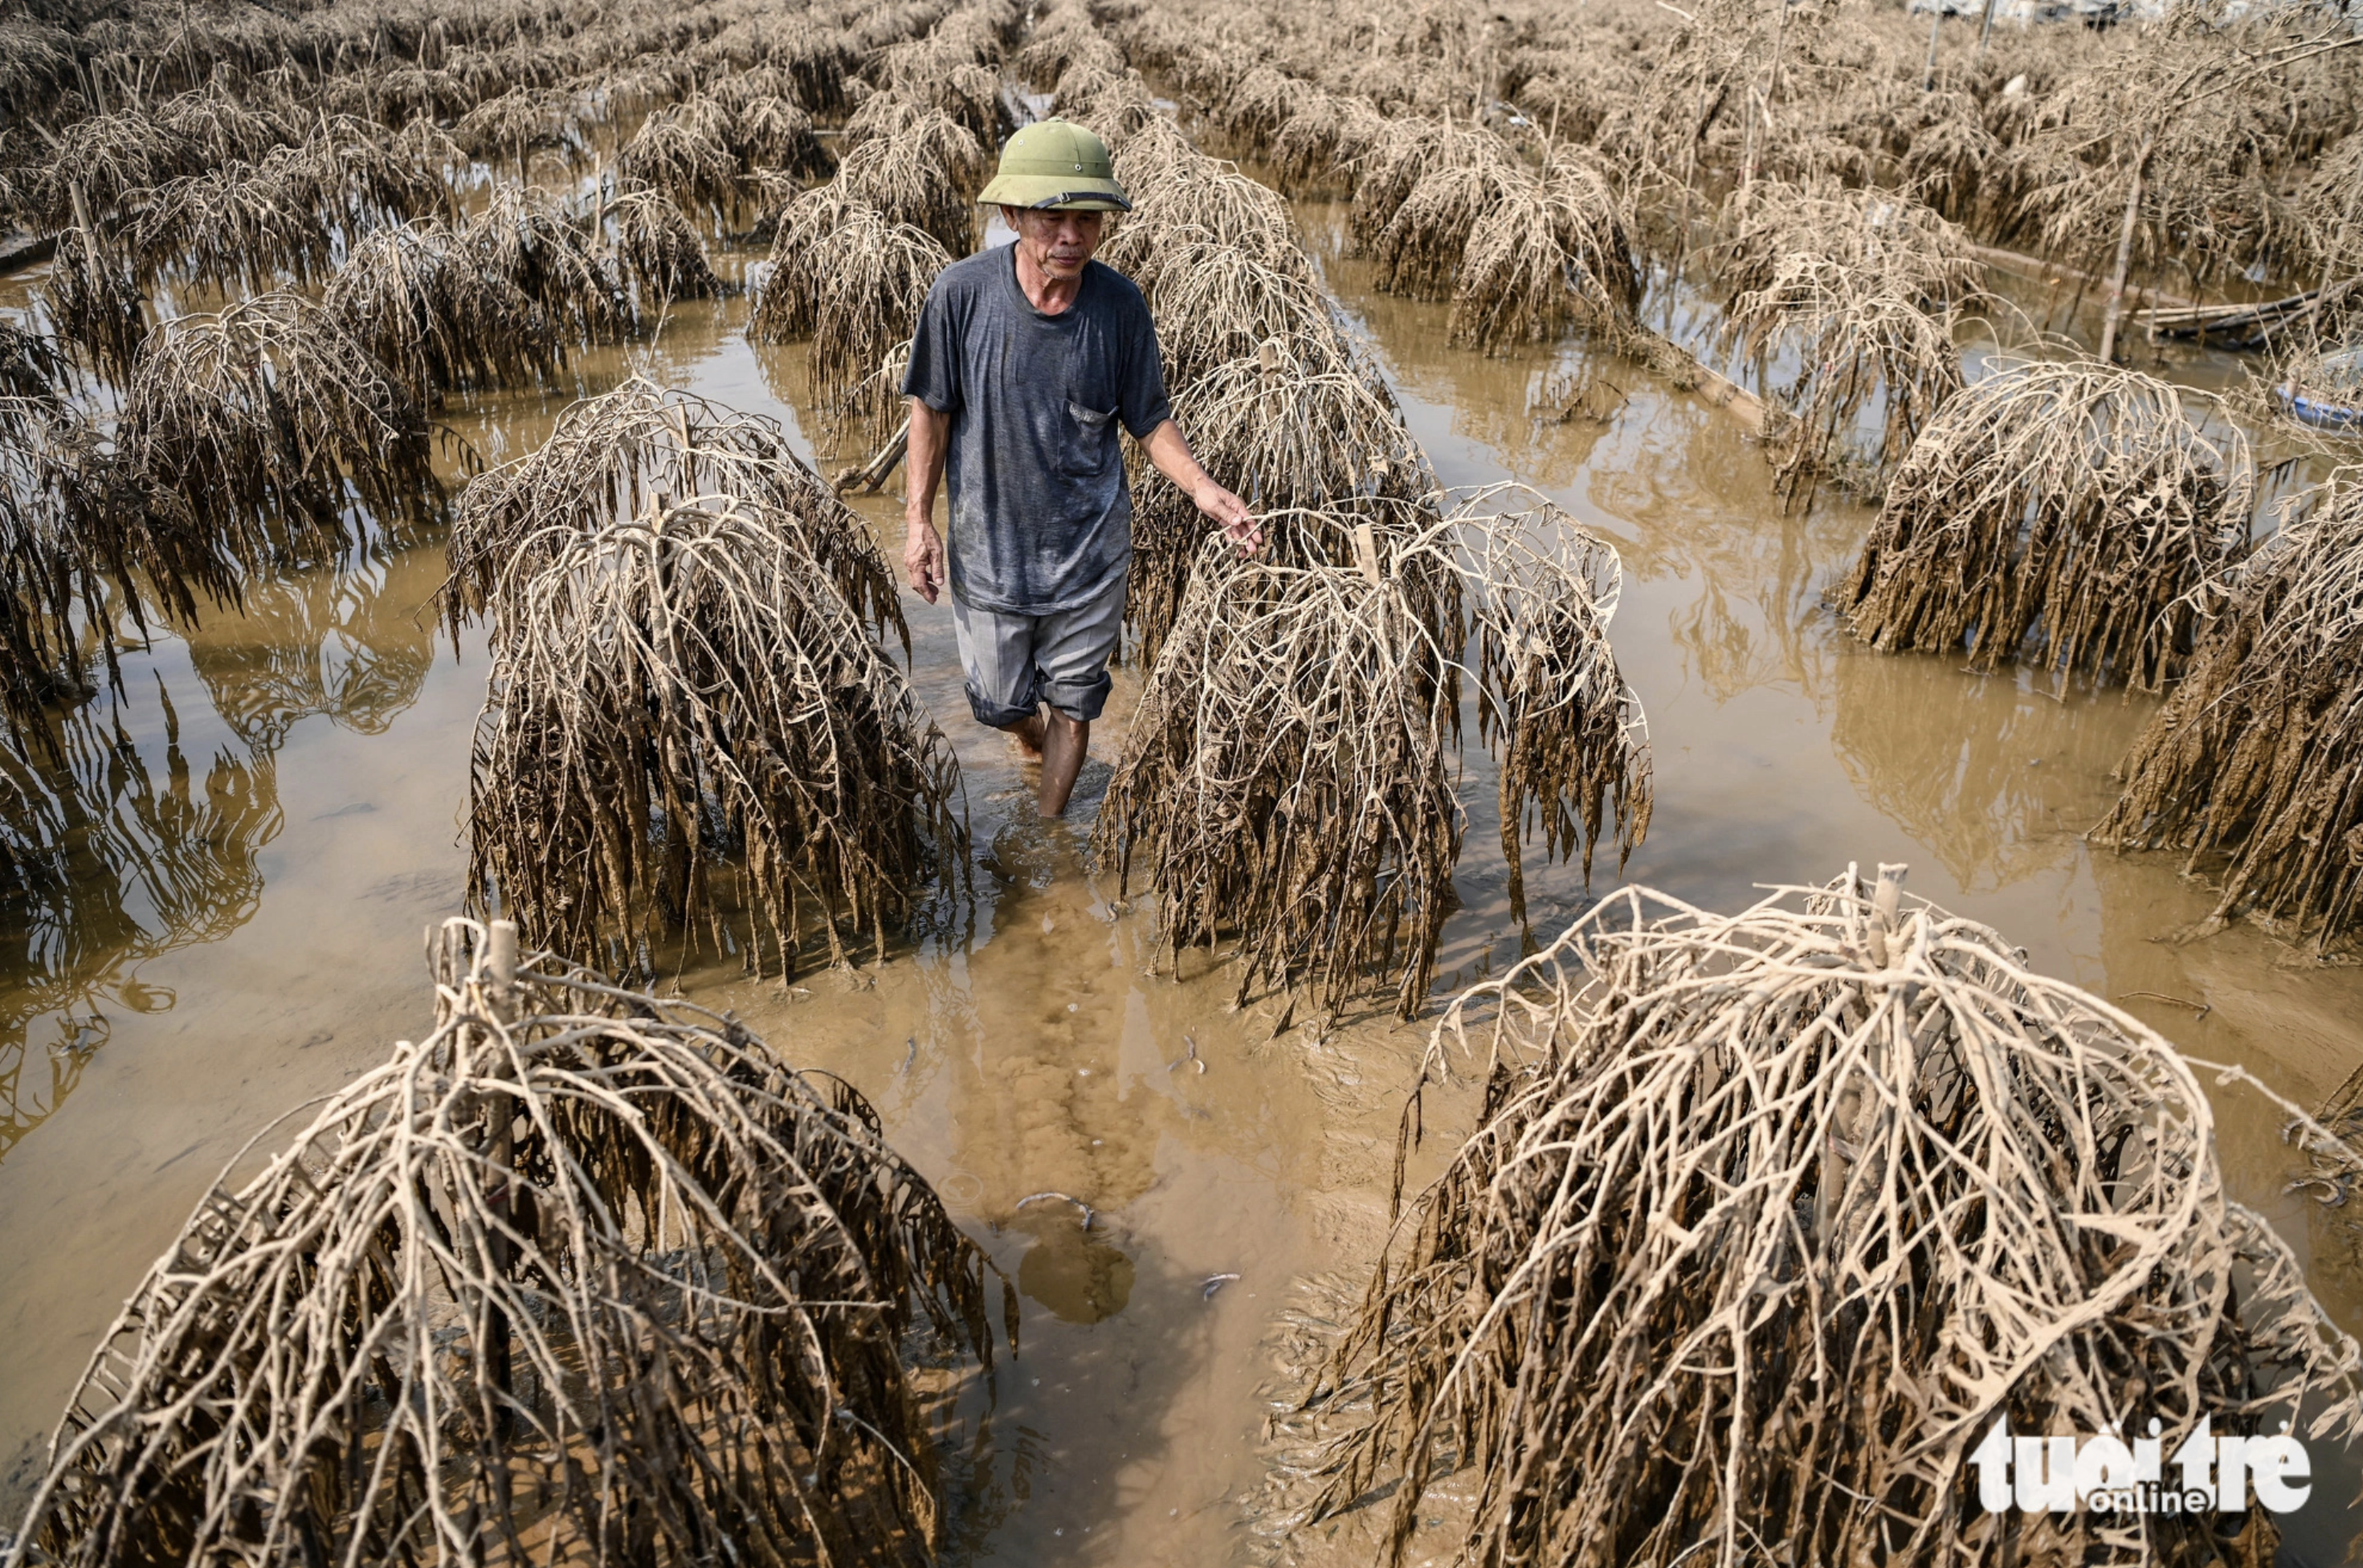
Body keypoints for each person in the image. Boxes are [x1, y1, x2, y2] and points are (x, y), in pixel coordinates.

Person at [900, 117, 1258, 819]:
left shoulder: (1120, 306)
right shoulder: (961, 295)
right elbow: (931, 412)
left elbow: (1149, 419)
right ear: (1012, 216)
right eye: (1052, 217)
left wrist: (1204, 488)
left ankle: (1048, 825)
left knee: (1075, 701)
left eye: (1087, 218)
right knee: (999, 705)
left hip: (1091, 550)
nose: (1071, 236)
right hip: (992, 552)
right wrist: (917, 521)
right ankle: (1025, 736)